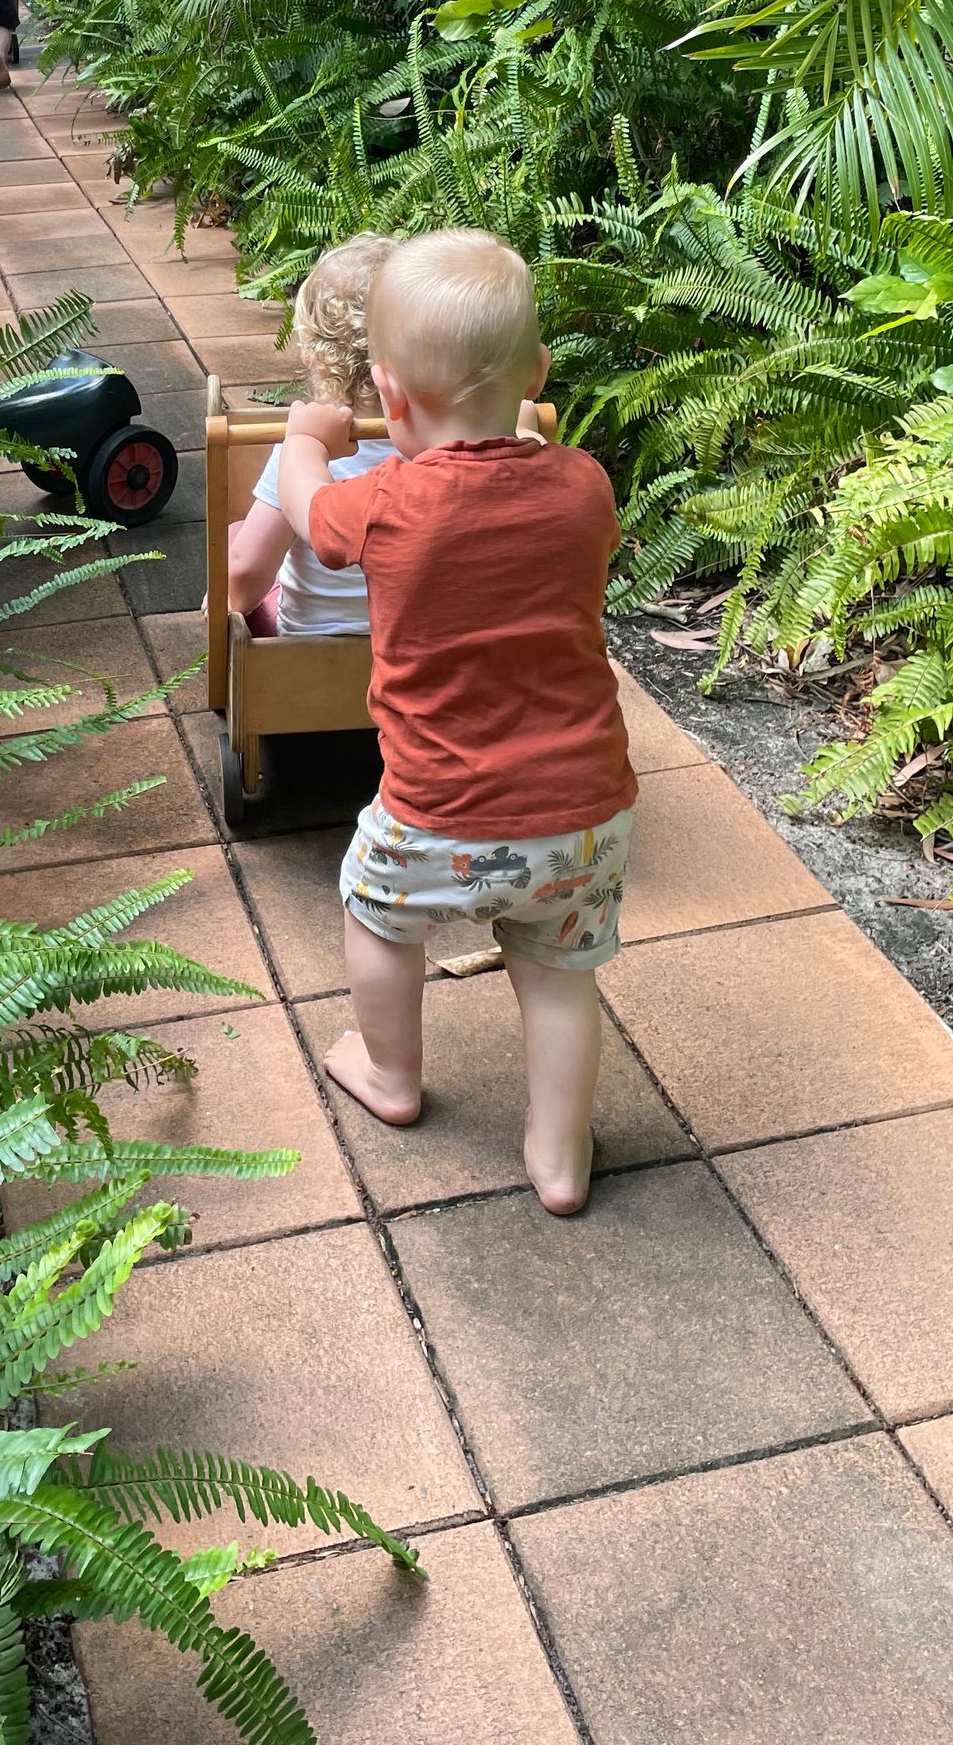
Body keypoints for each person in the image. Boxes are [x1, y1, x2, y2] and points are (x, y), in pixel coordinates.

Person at [275, 228, 636, 1216]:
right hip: (581, 815)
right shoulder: (583, 487)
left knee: (375, 914)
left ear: (388, 395)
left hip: (439, 812)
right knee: (560, 972)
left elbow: (312, 520)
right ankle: (558, 1155)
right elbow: (535, 509)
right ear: (539, 377)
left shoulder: (386, 500)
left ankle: (393, 1073)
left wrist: (307, 441)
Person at [228, 233, 395, 637]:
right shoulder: (446, 448)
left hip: (310, 658)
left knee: (236, 540)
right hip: (417, 649)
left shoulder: (304, 454)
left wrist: (228, 595)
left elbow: (245, 578)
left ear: (314, 352)